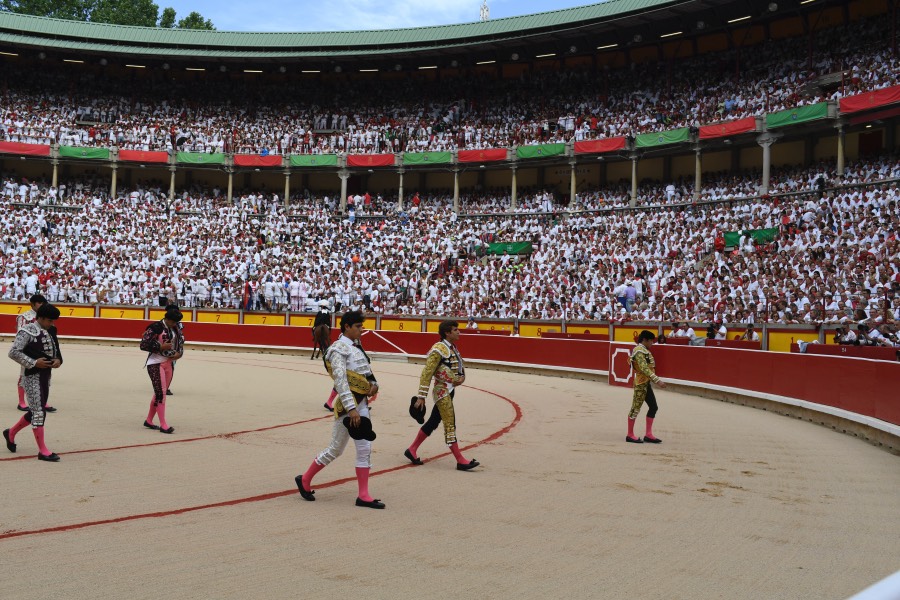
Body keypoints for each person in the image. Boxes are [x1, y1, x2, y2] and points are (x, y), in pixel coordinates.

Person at [296, 310, 384, 509]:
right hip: (348, 406)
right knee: (336, 448)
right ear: (347, 327)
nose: (362, 330)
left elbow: (368, 373)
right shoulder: (338, 349)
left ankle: (363, 495)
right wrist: (352, 408)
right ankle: (305, 479)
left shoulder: (356, 347)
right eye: (358, 327)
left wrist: (374, 385)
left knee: (364, 448)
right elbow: (340, 381)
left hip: (361, 404)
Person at [404, 320, 479, 471]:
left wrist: (459, 378)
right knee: (450, 422)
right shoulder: (439, 348)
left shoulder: (451, 347)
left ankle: (411, 450)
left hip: (449, 389)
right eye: (455, 330)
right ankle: (460, 460)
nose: (459, 332)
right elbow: (427, 372)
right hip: (442, 391)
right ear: (447, 332)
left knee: (433, 422)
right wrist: (421, 396)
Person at [4, 303, 63, 461]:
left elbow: (55, 349)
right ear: (41, 318)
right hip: (31, 376)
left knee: (37, 409)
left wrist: (58, 360)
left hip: (46, 376)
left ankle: (10, 433)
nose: (52, 323)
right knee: (38, 412)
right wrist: (34, 362)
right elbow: (13, 352)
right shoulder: (27, 330)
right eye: (50, 320)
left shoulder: (50, 330)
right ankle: (43, 451)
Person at [139, 307, 184, 434]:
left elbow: (180, 344)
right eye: (173, 322)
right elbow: (143, 344)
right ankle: (163, 425)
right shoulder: (155, 327)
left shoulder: (175, 328)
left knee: (159, 393)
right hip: (155, 363)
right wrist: (160, 347)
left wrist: (178, 354)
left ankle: (149, 420)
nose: (175, 324)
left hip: (169, 363)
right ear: (167, 319)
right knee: (161, 394)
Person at [14, 294, 55, 413]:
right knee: (24, 374)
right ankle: (21, 402)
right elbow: (20, 335)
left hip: (44, 349)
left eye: (43, 303)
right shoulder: (24, 317)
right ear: (32, 304)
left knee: (46, 376)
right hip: (29, 350)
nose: (42, 305)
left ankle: (43, 401)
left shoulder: (46, 317)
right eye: (40, 303)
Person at [627, 330, 667, 444]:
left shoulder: (643, 350)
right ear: (645, 340)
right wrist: (657, 380)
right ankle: (629, 435)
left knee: (653, 407)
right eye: (651, 341)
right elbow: (644, 368)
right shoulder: (639, 351)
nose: (652, 344)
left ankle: (648, 435)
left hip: (646, 383)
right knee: (635, 408)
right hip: (640, 383)